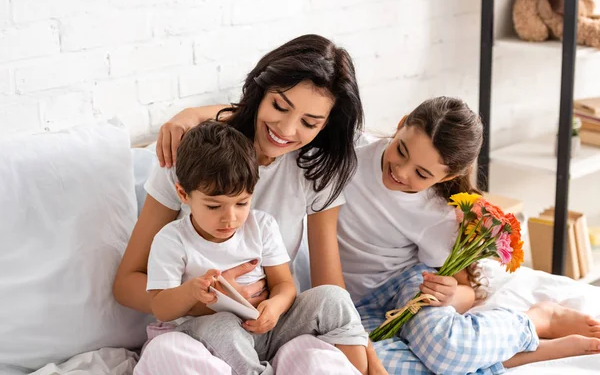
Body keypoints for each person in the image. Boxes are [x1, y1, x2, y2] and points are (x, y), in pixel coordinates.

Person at [113, 34, 387, 374]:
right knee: (183, 351)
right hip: (204, 330)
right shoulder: (195, 157)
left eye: (309, 122)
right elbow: (127, 284)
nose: (286, 129)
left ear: (326, 124)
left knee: (329, 311)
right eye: (280, 106)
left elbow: (330, 290)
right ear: (260, 92)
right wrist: (210, 299)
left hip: (275, 325)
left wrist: (374, 366)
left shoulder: (317, 168)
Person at [337, 96, 600, 374]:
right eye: (401, 150)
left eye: (422, 173)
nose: (400, 171)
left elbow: (466, 292)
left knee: (448, 349)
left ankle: (536, 320)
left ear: (448, 177)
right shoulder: (349, 152)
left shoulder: (438, 214)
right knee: (372, 363)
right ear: (401, 124)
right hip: (355, 305)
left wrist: (448, 295)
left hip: (409, 286)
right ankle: (517, 354)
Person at [146, 121, 368, 374]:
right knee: (224, 325)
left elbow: (284, 284)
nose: (229, 218)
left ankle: (358, 371)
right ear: (184, 195)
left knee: (334, 298)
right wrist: (192, 292)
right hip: (207, 331)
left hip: (267, 328)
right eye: (213, 206)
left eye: (241, 203)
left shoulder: (262, 225)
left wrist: (275, 307)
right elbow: (160, 308)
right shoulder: (172, 240)